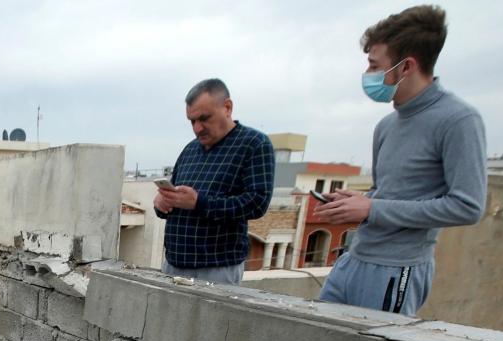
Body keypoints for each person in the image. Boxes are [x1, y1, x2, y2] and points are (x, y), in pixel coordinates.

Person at [316, 5, 486, 315]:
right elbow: (388, 194)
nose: (368, 75)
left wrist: (373, 207)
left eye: (374, 65)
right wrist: (360, 202)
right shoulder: (387, 126)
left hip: (396, 269)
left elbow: (468, 206)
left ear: (406, 66)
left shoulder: (458, 119)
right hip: (353, 259)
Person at [153, 79, 274, 284]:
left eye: (204, 118)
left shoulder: (253, 144)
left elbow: (256, 203)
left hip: (216, 269)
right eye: (192, 121)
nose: (198, 128)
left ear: (227, 107)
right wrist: (161, 203)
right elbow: (176, 198)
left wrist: (200, 203)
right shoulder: (190, 150)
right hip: (174, 265)